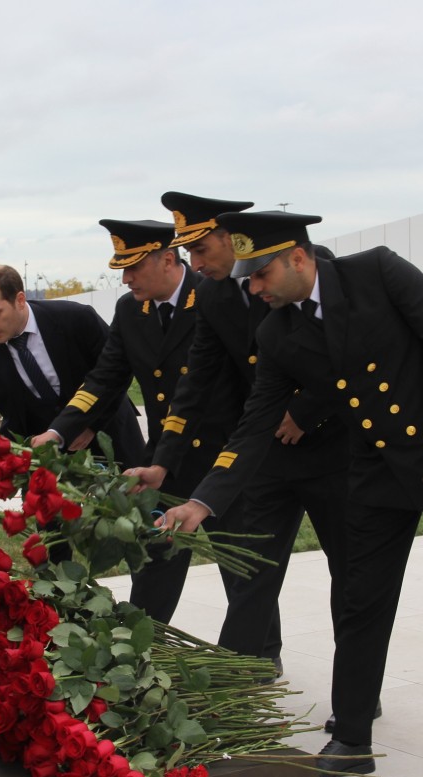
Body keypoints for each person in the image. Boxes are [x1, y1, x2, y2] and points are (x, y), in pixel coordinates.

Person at [156, 211, 423, 777]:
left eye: (263, 273)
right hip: (377, 469)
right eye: (248, 277)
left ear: (300, 257)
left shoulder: (378, 272)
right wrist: (203, 501)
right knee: (361, 602)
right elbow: (254, 424)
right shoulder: (276, 331)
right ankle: (351, 739)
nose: (254, 287)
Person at [133, 191, 349, 681]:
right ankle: (242, 675)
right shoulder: (210, 295)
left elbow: (345, 354)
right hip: (263, 450)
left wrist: (304, 411)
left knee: (350, 574)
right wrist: (164, 462)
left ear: (232, 240)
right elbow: (196, 382)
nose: (194, 262)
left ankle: (356, 683)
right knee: (252, 570)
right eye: (187, 252)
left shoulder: (312, 267)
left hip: (331, 447)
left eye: (202, 249)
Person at [34, 219, 243, 623]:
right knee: (157, 560)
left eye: (133, 268)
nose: (126, 279)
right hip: (167, 458)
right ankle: (143, 649)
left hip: (224, 454)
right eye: (122, 270)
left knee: (236, 562)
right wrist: (59, 430)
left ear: (167, 260)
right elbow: (104, 378)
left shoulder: (214, 297)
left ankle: (260, 651)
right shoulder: (131, 310)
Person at [0, 264, 144, 467]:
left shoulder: (76, 318)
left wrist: (90, 425)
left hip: (111, 440)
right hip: (47, 466)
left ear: (20, 300)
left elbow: (118, 371)